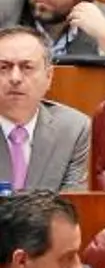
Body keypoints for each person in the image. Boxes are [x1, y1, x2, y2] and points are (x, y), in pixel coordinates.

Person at [0, 27, 90, 192]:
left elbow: (70, 207)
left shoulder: (73, 130)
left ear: (49, 77)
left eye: (27, 67)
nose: (15, 78)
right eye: (3, 67)